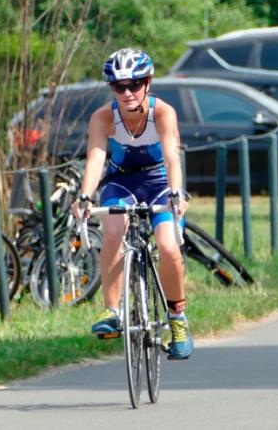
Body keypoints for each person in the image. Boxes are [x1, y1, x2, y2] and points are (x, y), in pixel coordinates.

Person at [71, 48, 193, 360]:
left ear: (147, 83)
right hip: (121, 182)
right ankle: (112, 311)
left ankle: (177, 318)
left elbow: (172, 157)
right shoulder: (103, 118)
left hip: (160, 182)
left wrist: (176, 194)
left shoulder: (162, 113)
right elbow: (95, 160)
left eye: (134, 84)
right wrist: (85, 197)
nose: (127, 93)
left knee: (168, 245)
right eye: (118, 86)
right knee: (113, 231)